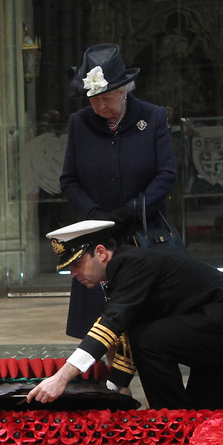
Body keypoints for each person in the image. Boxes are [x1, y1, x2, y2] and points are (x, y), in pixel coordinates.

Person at [27, 220, 223, 436]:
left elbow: (112, 325)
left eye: (76, 263)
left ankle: (174, 424)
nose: (73, 273)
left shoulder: (131, 265)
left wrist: (62, 378)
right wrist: (116, 391)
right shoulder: (123, 270)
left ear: (101, 252)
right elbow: (127, 331)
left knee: (150, 339)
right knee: (207, 409)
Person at [59, 43, 177, 339]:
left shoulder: (152, 117)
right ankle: (109, 381)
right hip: (97, 236)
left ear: (125, 90)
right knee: (101, 325)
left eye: (107, 98)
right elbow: (69, 180)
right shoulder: (80, 123)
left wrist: (131, 210)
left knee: (147, 322)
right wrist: (93, 214)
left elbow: (166, 175)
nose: (100, 106)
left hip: (142, 231)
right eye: (93, 99)